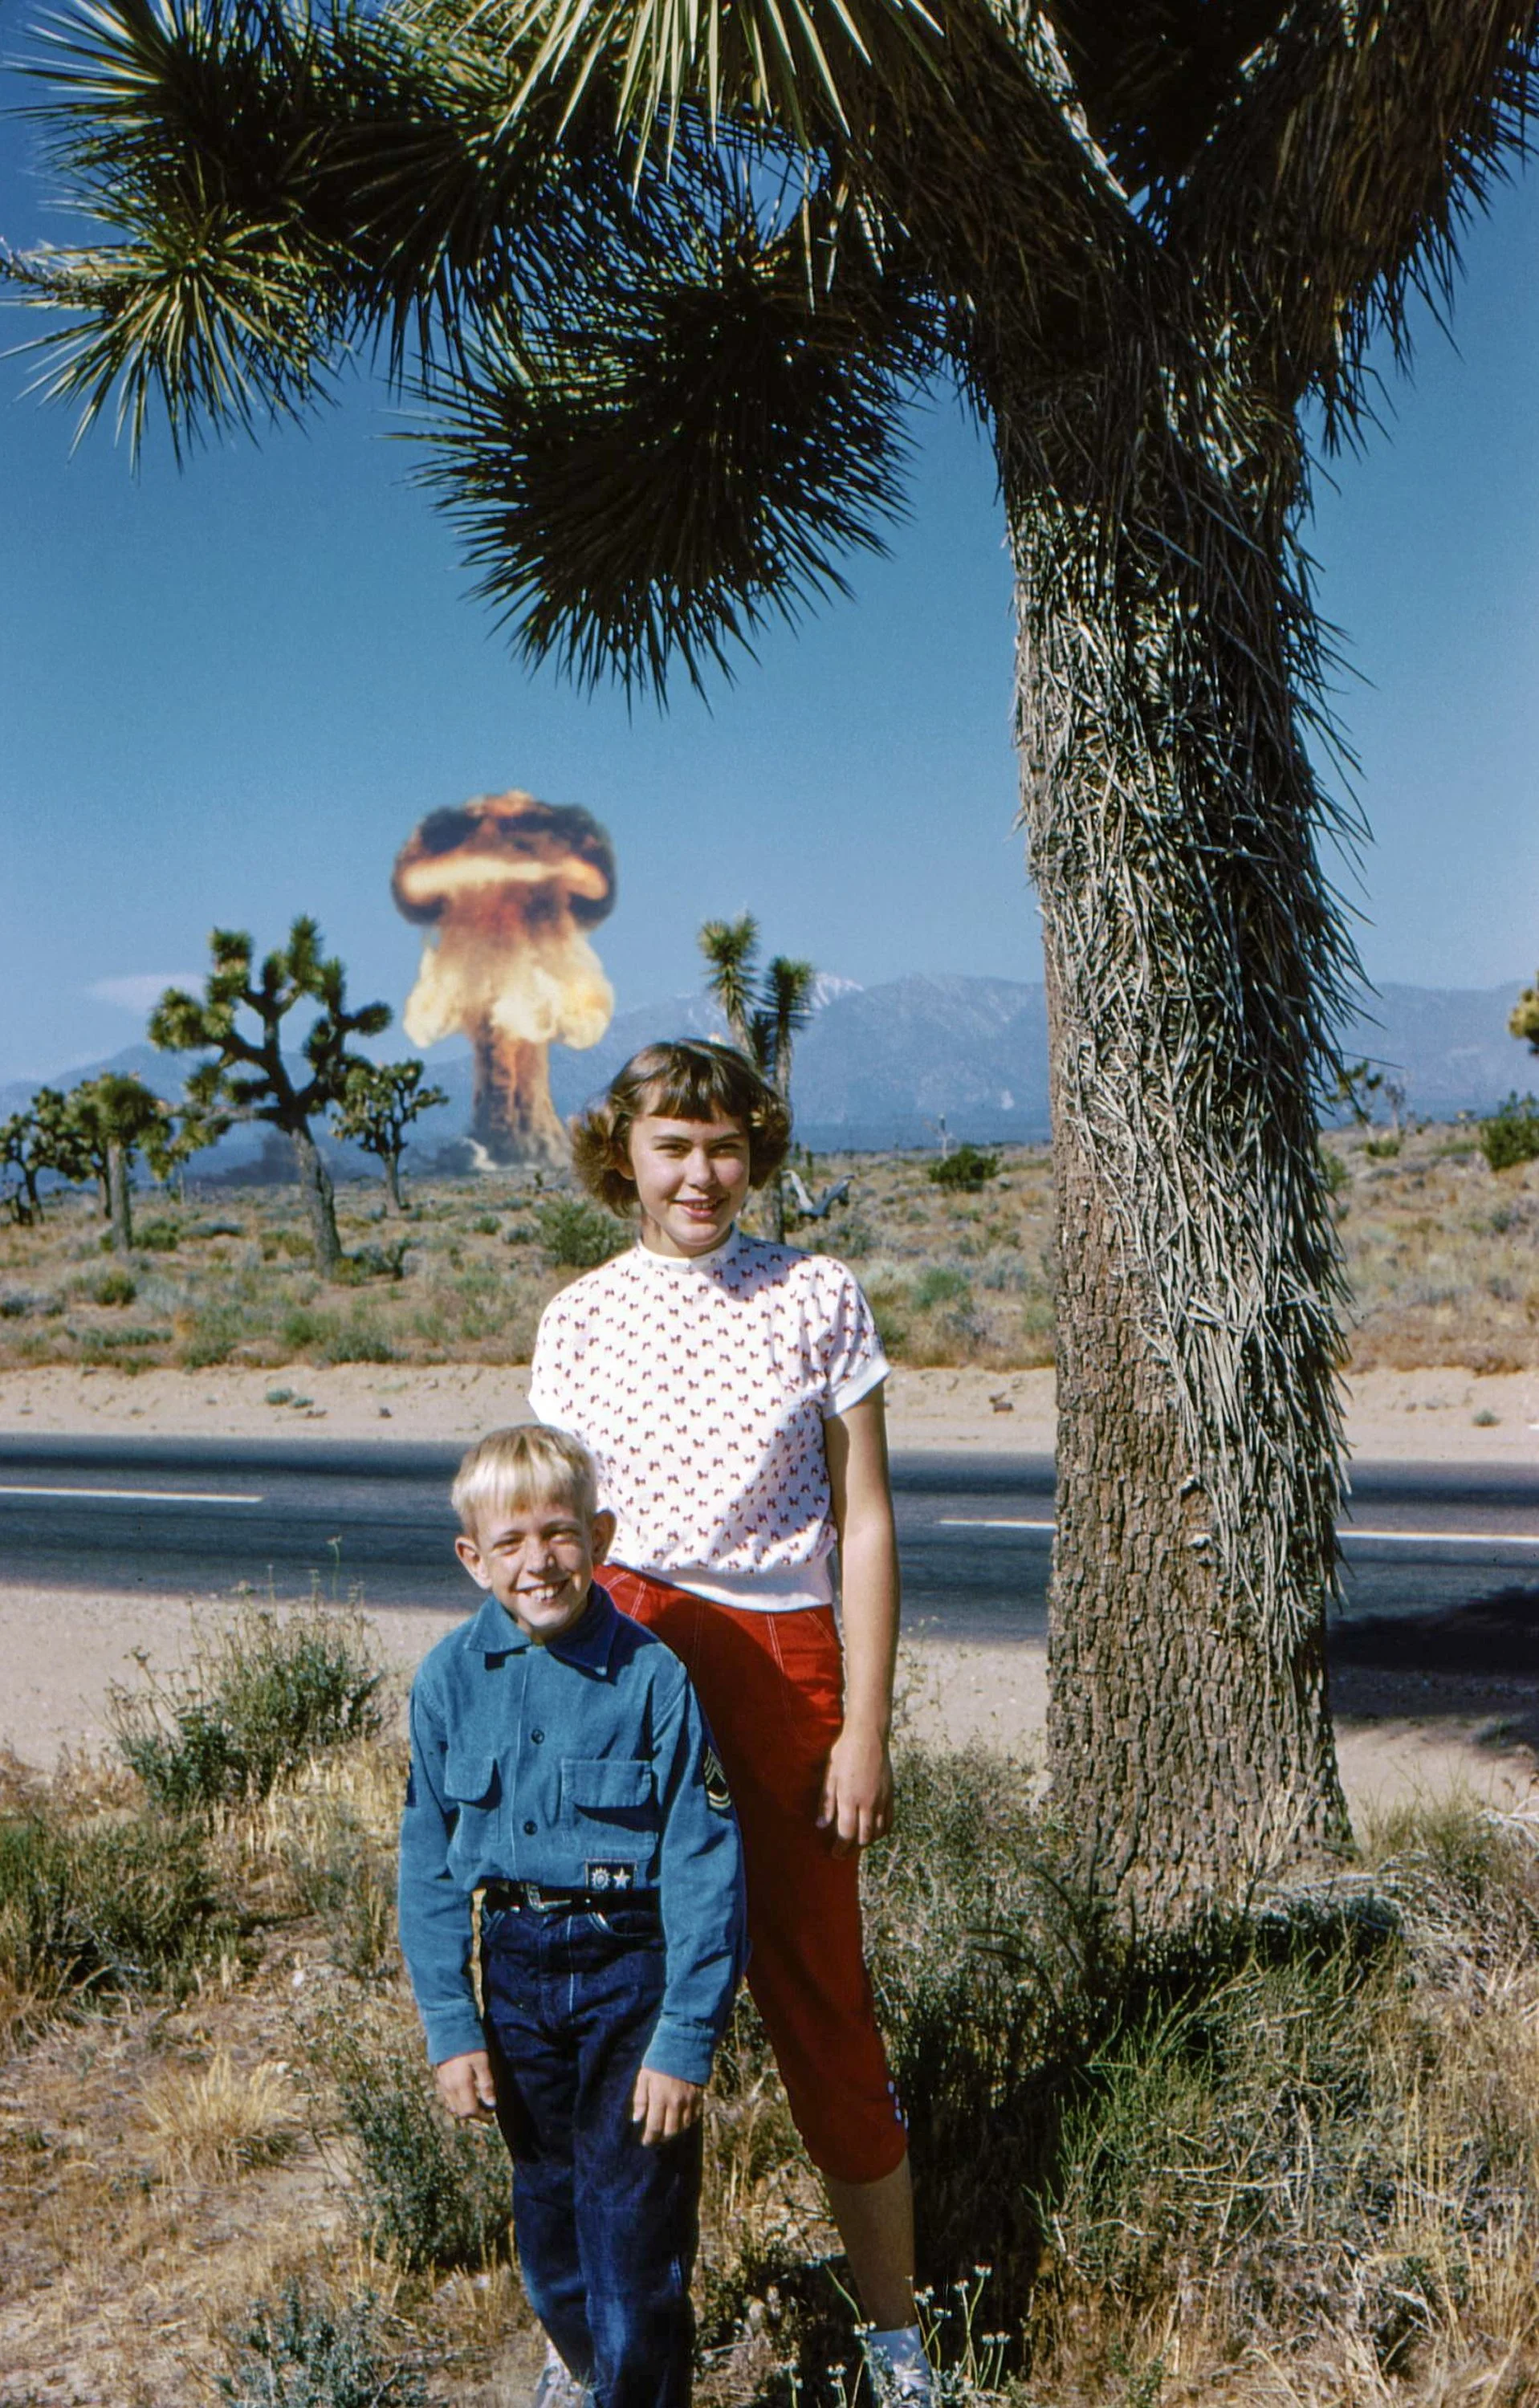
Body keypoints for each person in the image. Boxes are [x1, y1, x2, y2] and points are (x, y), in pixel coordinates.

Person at [528, 1040, 930, 2400]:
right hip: (622, 1658)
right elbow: (555, 1539)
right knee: (610, 2005)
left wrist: (862, 1727)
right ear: (623, 1159)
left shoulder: (817, 1295)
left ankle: (896, 2338)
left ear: (755, 1153)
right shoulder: (580, 1317)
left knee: (820, 1994)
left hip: (781, 1658)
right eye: (671, 1146)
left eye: (724, 1146)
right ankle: (598, 2339)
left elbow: (864, 1521)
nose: (699, 1175)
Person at [397, 1422, 746, 2408]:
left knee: (634, 2244)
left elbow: (705, 1863)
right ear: (473, 1559)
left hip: (629, 1974)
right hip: (513, 1975)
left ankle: (635, 2388)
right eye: (509, 1542)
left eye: (558, 1533)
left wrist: (685, 2039)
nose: (538, 1561)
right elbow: (428, 1867)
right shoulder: (447, 1681)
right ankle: (594, 2376)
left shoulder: (652, 1678)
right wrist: (451, 2027)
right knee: (550, 2237)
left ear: (599, 1536)